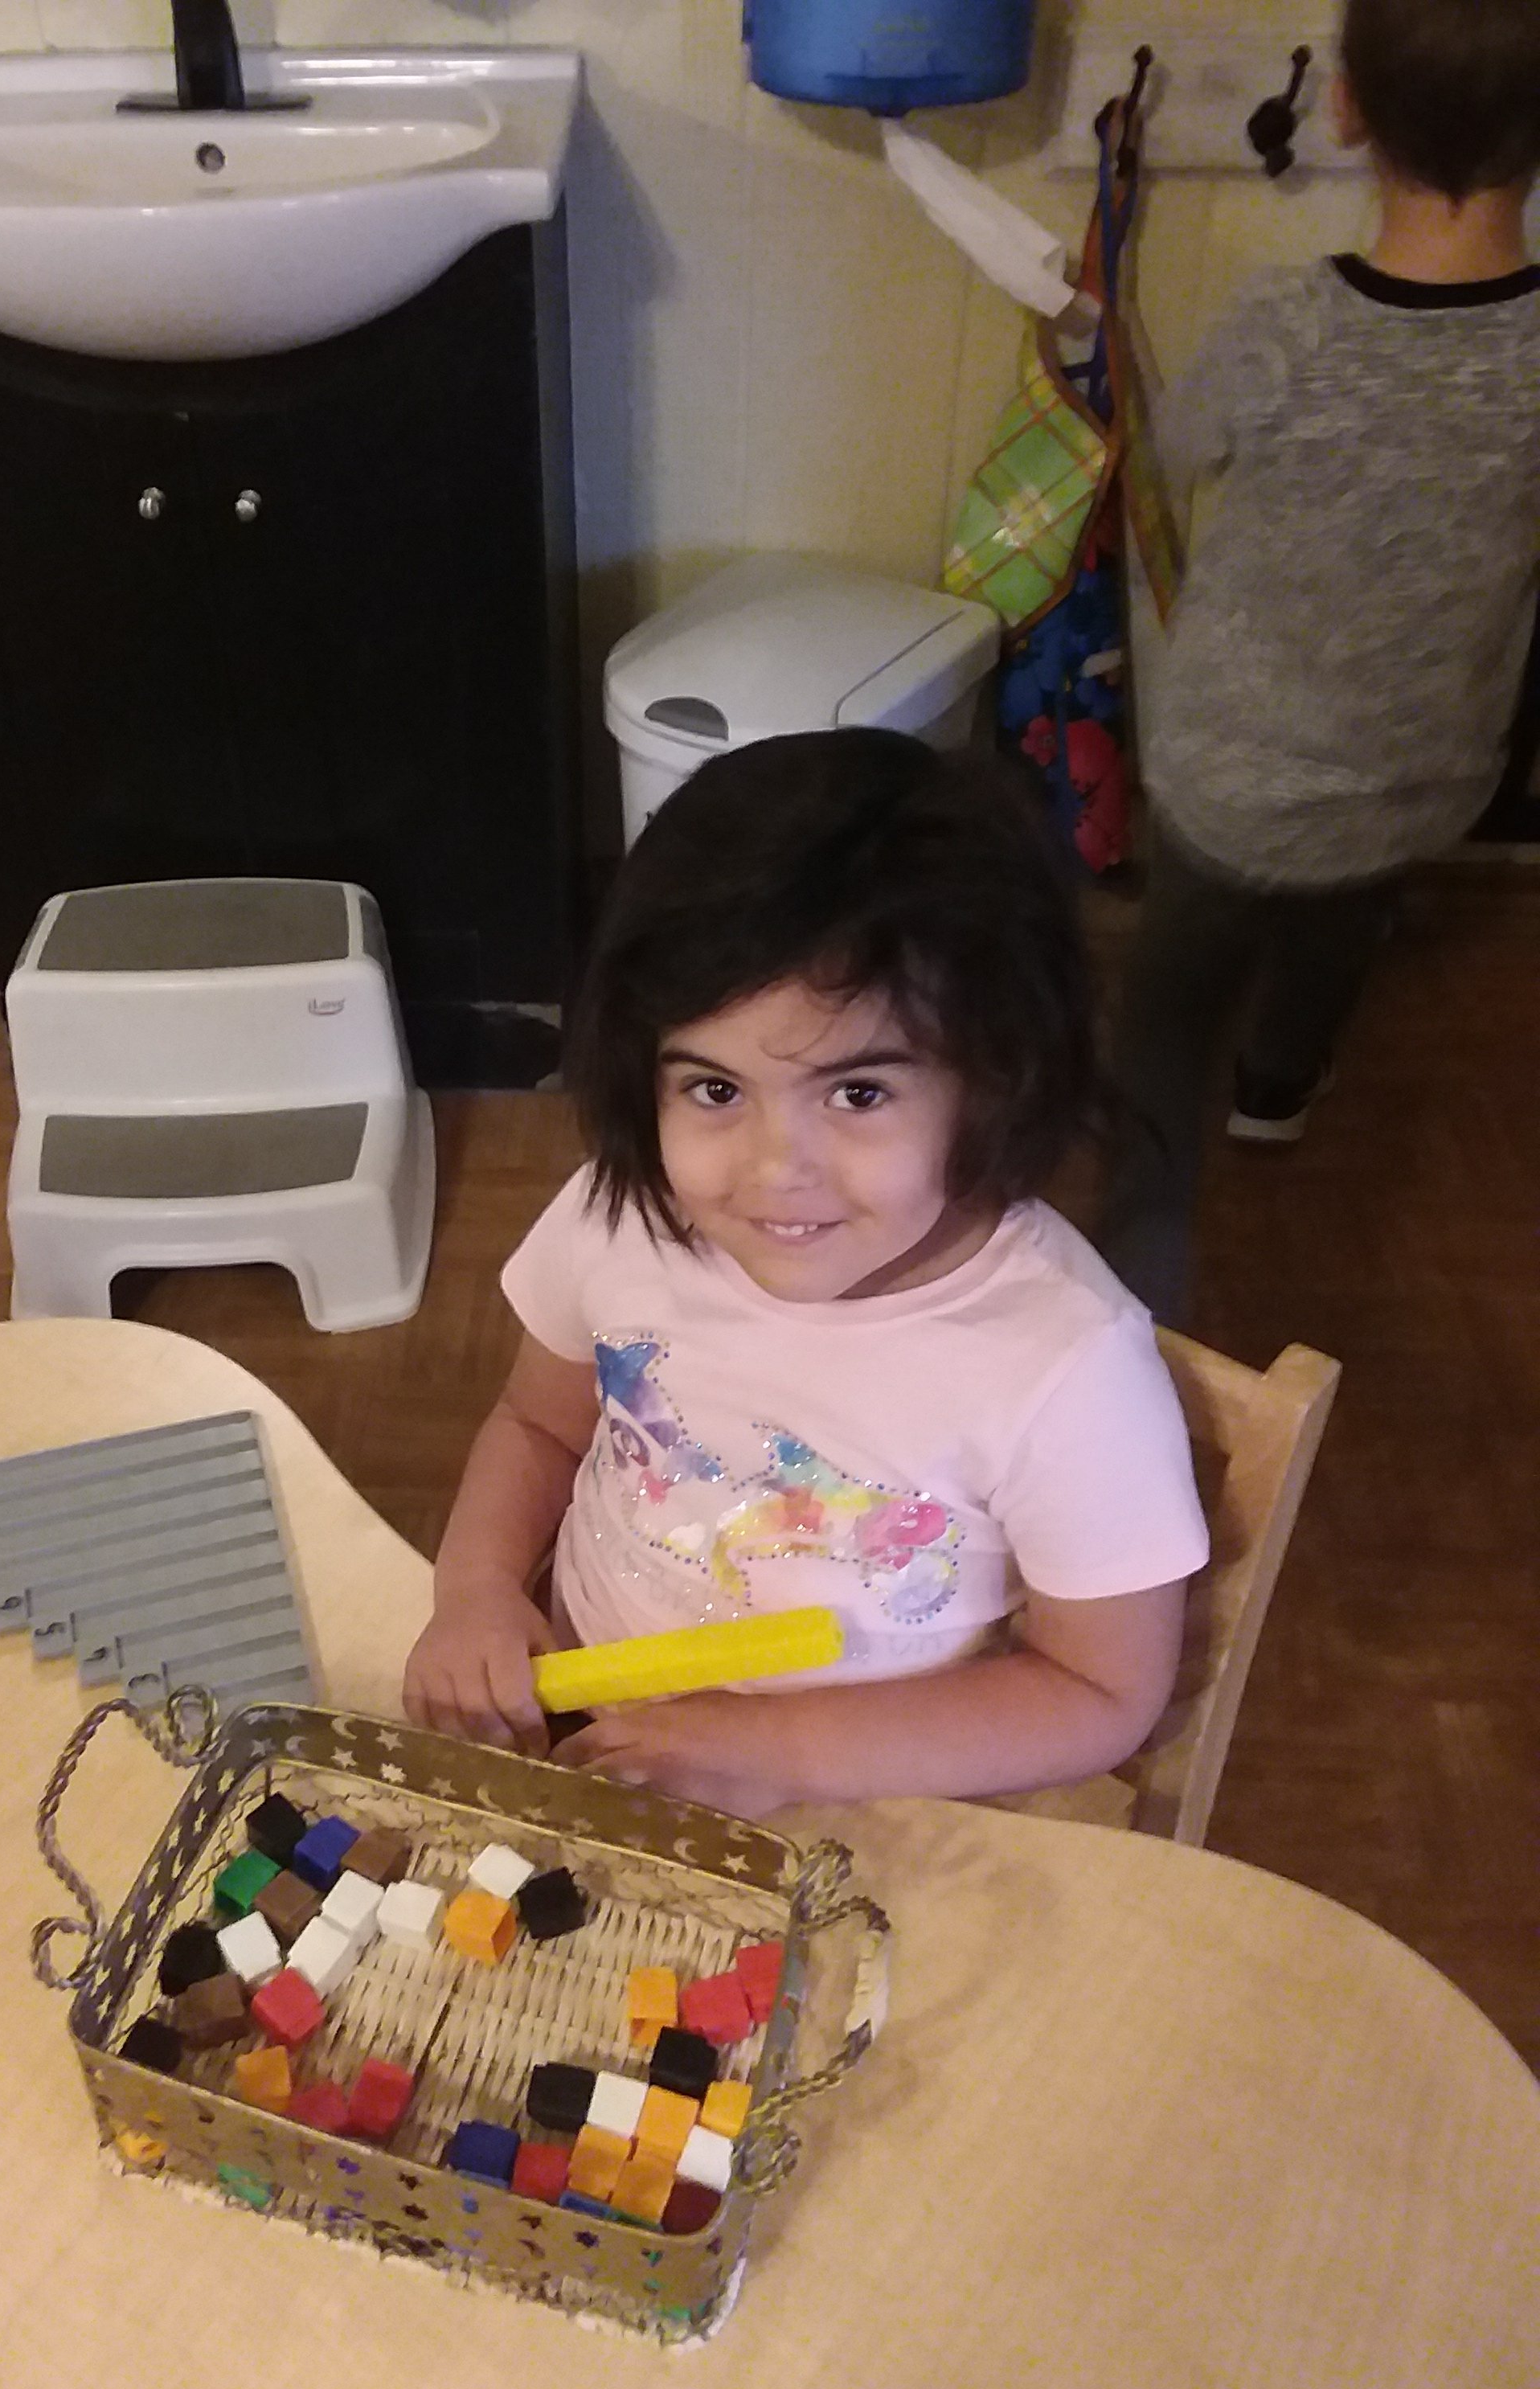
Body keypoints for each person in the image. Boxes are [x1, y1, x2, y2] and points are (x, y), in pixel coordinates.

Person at [402, 730, 1209, 1819]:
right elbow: (539, 1424)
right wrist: (476, 1589)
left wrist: (778, 1750)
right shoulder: (625, 1215)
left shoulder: (1068, 1366)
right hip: (579, 1710)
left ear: (995, 1076)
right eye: (715, 1090)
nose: (777, 1172)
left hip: (857, 1804)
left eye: (859, 1093)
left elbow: (1102, 1690)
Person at [1096, 0, 1540, 1324]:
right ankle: (1280, 1089)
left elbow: (1179, 450)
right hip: (1424, 773)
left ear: (1344, 107)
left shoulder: (1287, 322)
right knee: (1345, 915)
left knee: (1163, 1023)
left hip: (1231, 779)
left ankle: (1136, 1299)